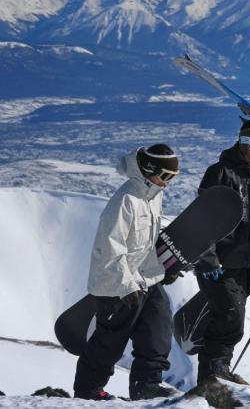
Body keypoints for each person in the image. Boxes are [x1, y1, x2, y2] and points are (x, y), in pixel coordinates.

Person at [73, 143, 180, 401]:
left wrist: (164, 267)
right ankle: (88, 391)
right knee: (110, 342)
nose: (167, 183)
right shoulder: (125, 201)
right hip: (116, 284)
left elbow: (145, 241)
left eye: (173, 178)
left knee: (158, 330)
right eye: (165, 176)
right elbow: (108, 249)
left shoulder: (153, 194)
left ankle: (147, 385)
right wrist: (125, 285)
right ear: (149, 169)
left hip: (145, 278)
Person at [190, 115, 250, 389]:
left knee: (230, 317)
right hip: (219, 262)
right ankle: (212, 374)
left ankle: (218, 372)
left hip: (243, 263)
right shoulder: (220, 173)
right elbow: (201, 217)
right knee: (230, 317)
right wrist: (207, 259)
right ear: (244, 142)